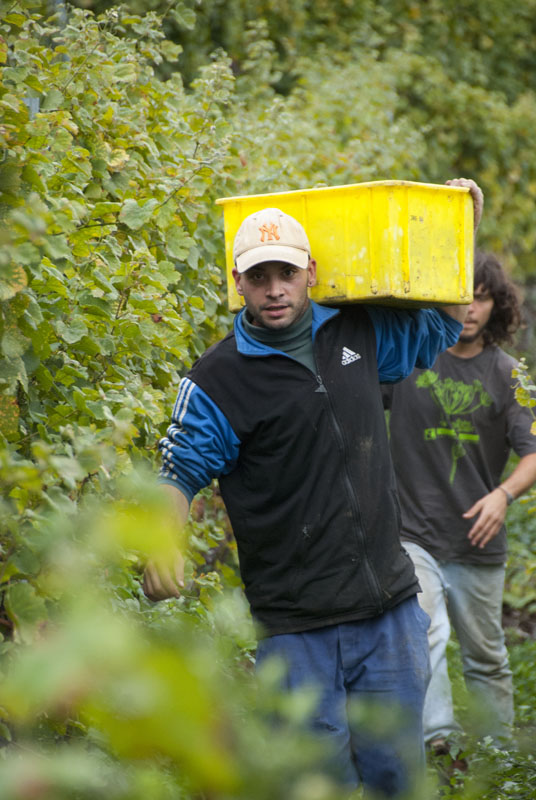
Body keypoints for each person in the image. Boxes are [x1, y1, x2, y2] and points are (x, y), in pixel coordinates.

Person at [144, 178, 483, 798]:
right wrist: (164, 539)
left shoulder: (357, 332)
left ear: (311, 273)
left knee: (396, 777)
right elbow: (178, 471)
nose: (274, 288)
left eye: (287, 273)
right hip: (296, 627)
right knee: (312, 784)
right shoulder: (219, 380)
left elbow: (439, 327)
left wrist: (462, 225)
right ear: (237, 282)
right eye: (259, 276)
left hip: (387, 608)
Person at [382, 250, 536, 757]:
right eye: (460, 295)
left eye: (482, 296)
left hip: (476, 537)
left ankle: (498, 758)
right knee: (424, 632)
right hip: (413, 533)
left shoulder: (512, 375)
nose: (469, 307)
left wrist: (503, 493)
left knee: (485, 656)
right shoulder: (409, 356)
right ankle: (438, 743)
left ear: (497, 305)